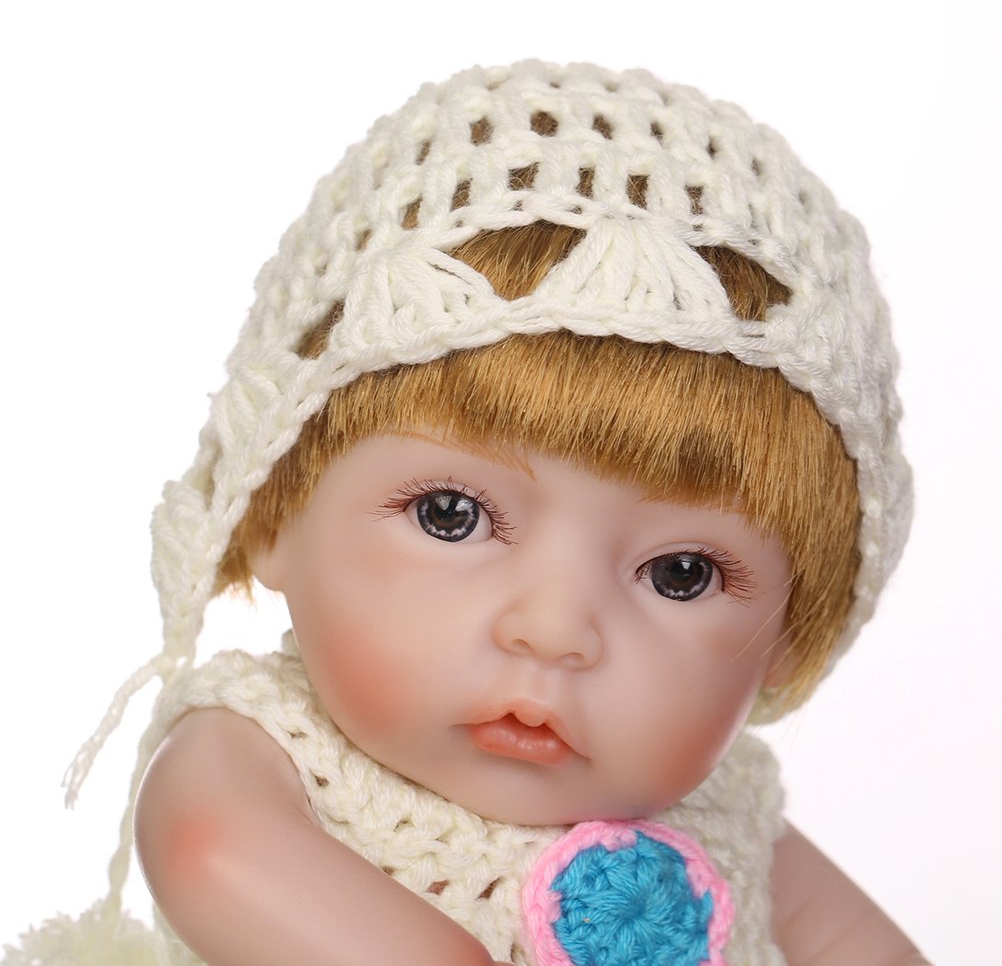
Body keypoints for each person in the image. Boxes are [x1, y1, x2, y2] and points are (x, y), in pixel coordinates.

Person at [6, 61, 928, 966]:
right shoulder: (270, 750)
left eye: (680, 574)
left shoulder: (735, 819)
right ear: (271, 510)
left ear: (789, 637)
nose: (554, 630)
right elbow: (209, 850)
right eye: (451, 515)